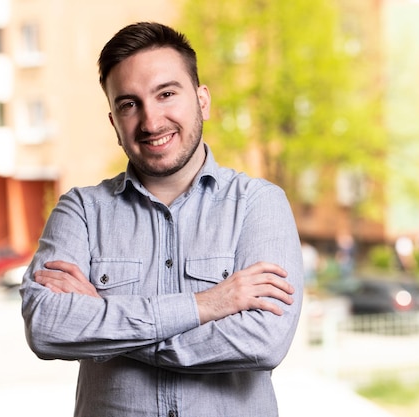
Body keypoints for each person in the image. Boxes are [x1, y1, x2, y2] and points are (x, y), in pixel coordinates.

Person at [20, 22, 303, 417]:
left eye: (166, 94)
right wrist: (207, 304)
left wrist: (107, 323)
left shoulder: (259, 204)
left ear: (202, 100)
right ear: (114, 123)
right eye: (129, 104)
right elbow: (48, 328)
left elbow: (262, 341)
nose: (151, 122)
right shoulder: (80, 211)